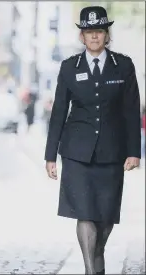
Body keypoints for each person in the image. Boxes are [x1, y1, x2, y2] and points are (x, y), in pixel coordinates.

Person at [44, 6, 141, 275]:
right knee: (85, 213)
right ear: (82, 37)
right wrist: (50, 155)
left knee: (106, 217)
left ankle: (97, 255)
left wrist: (135, 151)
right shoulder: (68, 68)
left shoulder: (123, 65)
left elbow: (132, 110)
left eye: (99, 31)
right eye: (89, 32)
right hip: (77, 154)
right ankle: (91, 270)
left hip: (112, 153)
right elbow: (59, 113)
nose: (94, 37)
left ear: (106, 35)